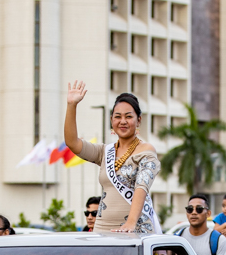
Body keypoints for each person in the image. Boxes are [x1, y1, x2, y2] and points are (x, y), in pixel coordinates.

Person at [64, 82, 160, 233]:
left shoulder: (146, 150)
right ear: (111, 120)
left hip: (134, 229)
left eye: (128, 117)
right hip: (103, 229)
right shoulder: (105, 151)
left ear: (139, 120)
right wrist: (71, 105)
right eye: (118, 117)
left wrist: (130, 223)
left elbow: (141, 187)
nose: (122, 121)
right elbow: (72, 143)